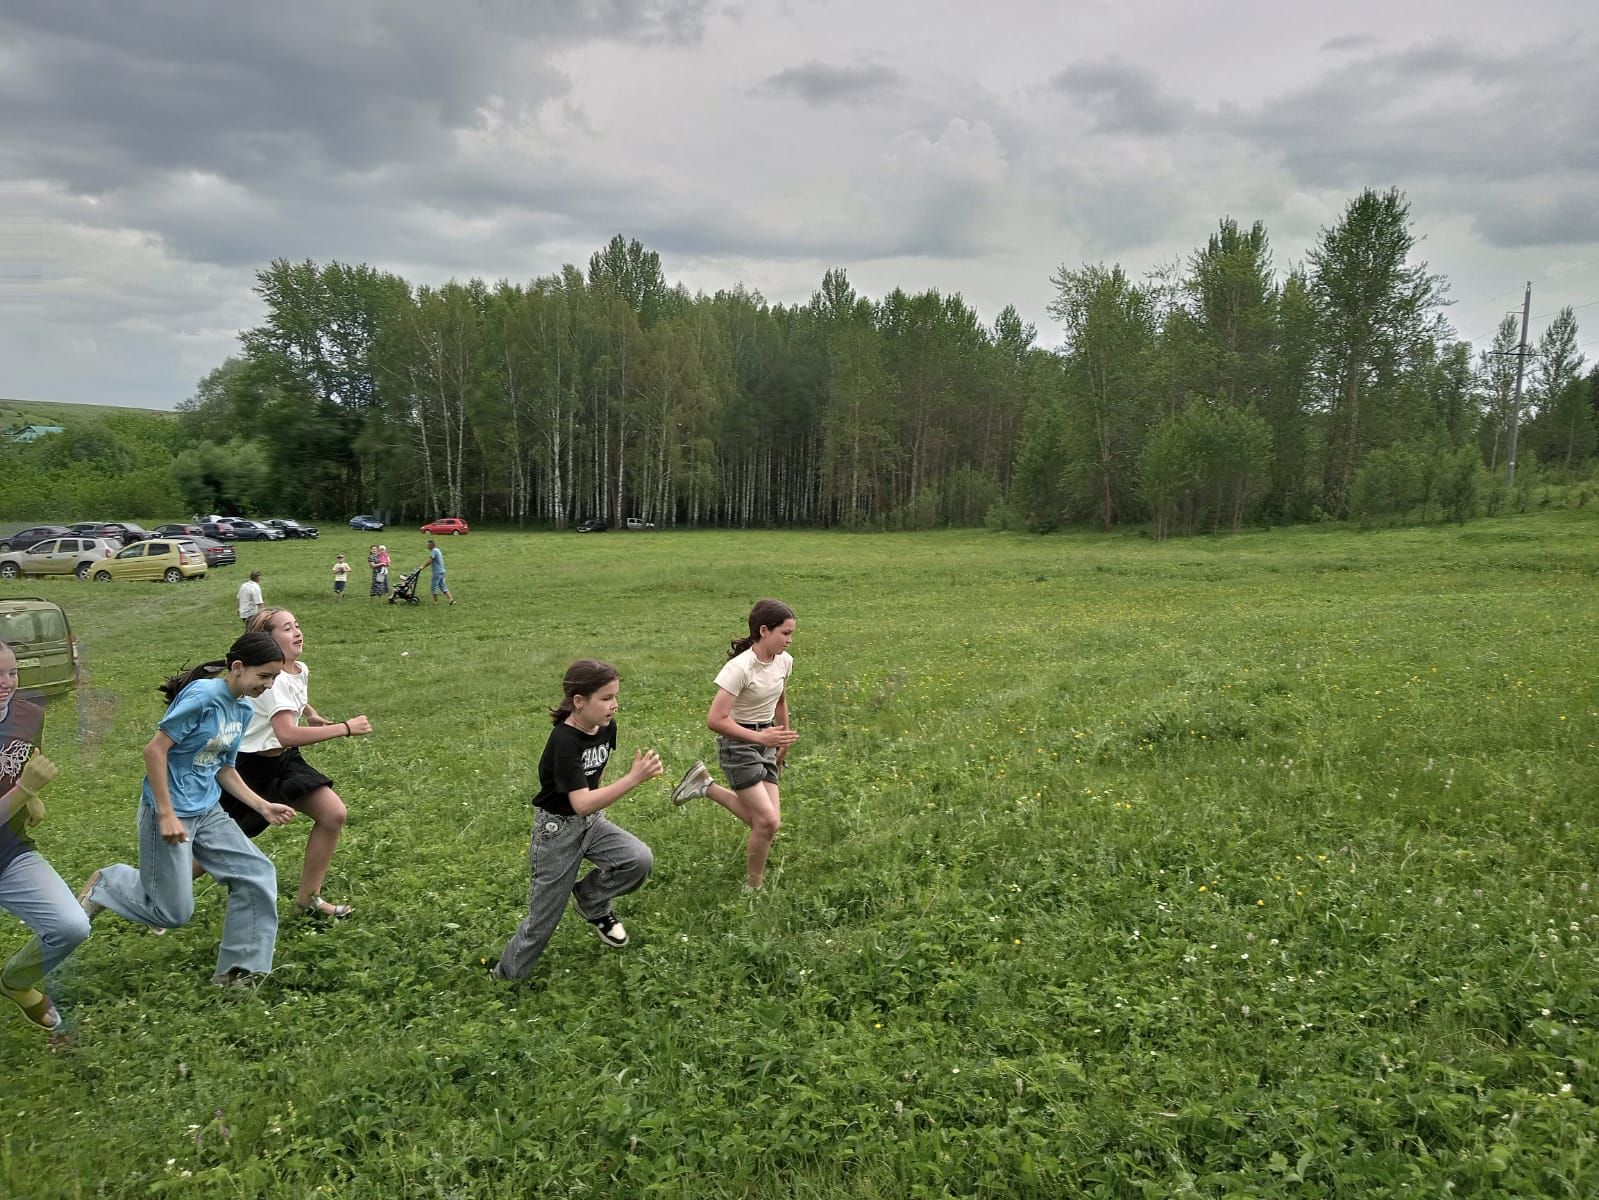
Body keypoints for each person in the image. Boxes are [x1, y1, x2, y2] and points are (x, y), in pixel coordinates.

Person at [76, 632, 295, 987]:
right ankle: (109, 883)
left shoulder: (240, 709)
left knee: (256, 873)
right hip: (170, 810)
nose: (268, 686)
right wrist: (166, 813)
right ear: (237, 668)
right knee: (173, 913)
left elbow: (223, 767)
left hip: (206, 810)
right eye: (264, 676)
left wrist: (261, 805)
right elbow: (154, 752)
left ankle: (238, 973)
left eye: (274, 679)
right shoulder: (204, 696)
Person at [493, 660, 661, 982]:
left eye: (615, 696)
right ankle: (505, 979)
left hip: (592, 824)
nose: (614, 705)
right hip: (557, 832)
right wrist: (633, 779)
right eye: (606, 698)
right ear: (579, 702)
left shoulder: (606, 727)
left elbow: (590, 787)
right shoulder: (563, 741)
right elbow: (580, 802)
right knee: (543, 920)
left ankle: (590, 899)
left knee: (638, 859)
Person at [215, 608, 370, 919]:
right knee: (212, 852)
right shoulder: (273, 682)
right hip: (249, 768)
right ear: (268, 642)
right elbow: (286, 733)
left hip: (283, 762)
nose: (297, 632)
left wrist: (310, 712)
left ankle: (308, 900)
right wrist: (345, 728)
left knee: (333, 814)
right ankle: (158, 894)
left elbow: (293, 693)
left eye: (297, 625)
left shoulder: (298, 668)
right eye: (287, 629)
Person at [671, 599, 798, 889]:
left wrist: (782, 738)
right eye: (785, 633)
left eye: (791, 634)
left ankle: (704, 785)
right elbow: (716, 720)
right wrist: (759, 738)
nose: (789, 641)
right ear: (764, 630)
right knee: (766, 823)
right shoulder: (739, 668)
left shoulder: (784, 661)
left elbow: (780, 699)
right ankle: (753, 888)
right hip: (738, 745)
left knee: (769, 823)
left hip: (766, 742)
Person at [0, 641, 88, 1032]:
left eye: (11, 672)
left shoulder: (29, 712)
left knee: (72, 926)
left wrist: (26, 796)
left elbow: (27, 757)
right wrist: (25, 793)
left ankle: (15, 982)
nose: (6, 683)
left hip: (8, 853)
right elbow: (25, 783)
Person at [423, 539, 455, 605]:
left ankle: (436, 602)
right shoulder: (438, 550)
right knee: (443, 586)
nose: (427, 546)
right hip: (442, 571)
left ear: (431, 545)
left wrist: (422, 567)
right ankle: (451, 599)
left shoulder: (434, 551)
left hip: (437, 572)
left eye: (428, 545)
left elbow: (430, 560)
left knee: (433, 587)